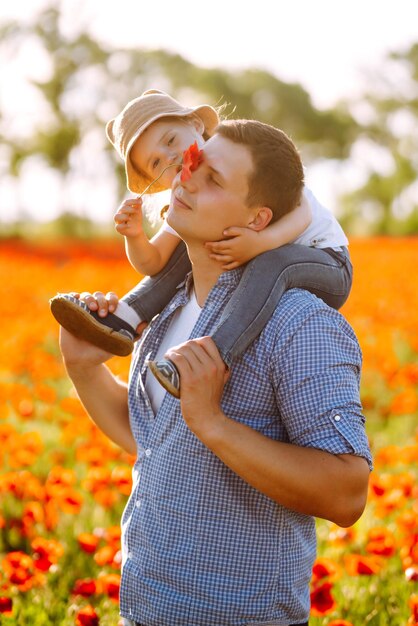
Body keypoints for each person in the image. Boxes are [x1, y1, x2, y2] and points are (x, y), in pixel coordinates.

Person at [59, 118, 372, 626]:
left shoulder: (301, 321)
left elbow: (347, 493)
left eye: (215, 181)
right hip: (143, 610)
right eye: (193, 166)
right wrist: (81, 365)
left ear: (258, 220)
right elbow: (154, 441)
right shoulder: (170, 310)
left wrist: (213, 423)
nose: (186, 180)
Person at [50, 90, 352, 398]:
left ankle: (215, 355)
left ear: (195, 124)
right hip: (267, 254)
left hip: (325, 259)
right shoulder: (190, 200)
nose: (170, 159)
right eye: (156, 163)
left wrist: (262, 241)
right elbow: (153, 262)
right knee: (186, 241)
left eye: (170, 141)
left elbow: (303, 208)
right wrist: (135, 236)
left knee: (271, 262)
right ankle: (129, 316)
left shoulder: (238, 152)